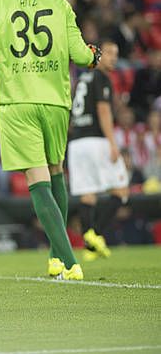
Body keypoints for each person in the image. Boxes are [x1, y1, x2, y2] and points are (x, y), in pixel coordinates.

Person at [0, 0, 100, 281]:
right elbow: (82, 55)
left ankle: (70, 262)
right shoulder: (59, 4)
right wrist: (95, 56)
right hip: (56, 101)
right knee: (56, 171)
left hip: (17, 103)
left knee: (37, 180)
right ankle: (57, 258)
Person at [68, 41, 129, 262]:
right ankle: (96, 233)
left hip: (76, 143)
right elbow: (103, 111)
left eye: (116, 53)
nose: (113, 57)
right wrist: (112, 143)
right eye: (109, 53)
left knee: (88, 194)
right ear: (98, 56)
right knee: (121, 191)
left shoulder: (81, 79)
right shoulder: (102, 78)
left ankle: (90, 245)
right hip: (96, 140)